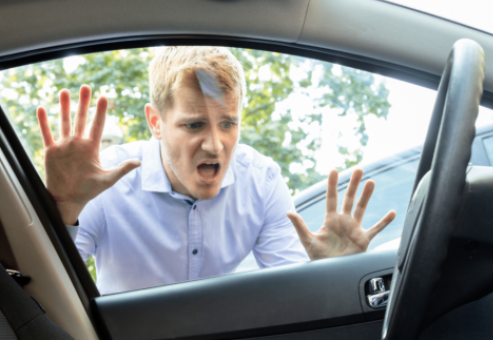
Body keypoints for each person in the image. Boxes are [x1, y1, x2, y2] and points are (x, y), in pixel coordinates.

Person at [36, 46, 396, 294]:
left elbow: (293, 292)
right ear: (155, 122)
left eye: (228, 123)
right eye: (194, 126)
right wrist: (64, 210)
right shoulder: (105, 181)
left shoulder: (261, 180)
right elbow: (47, 289)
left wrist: (330, 274)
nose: (215, 145)